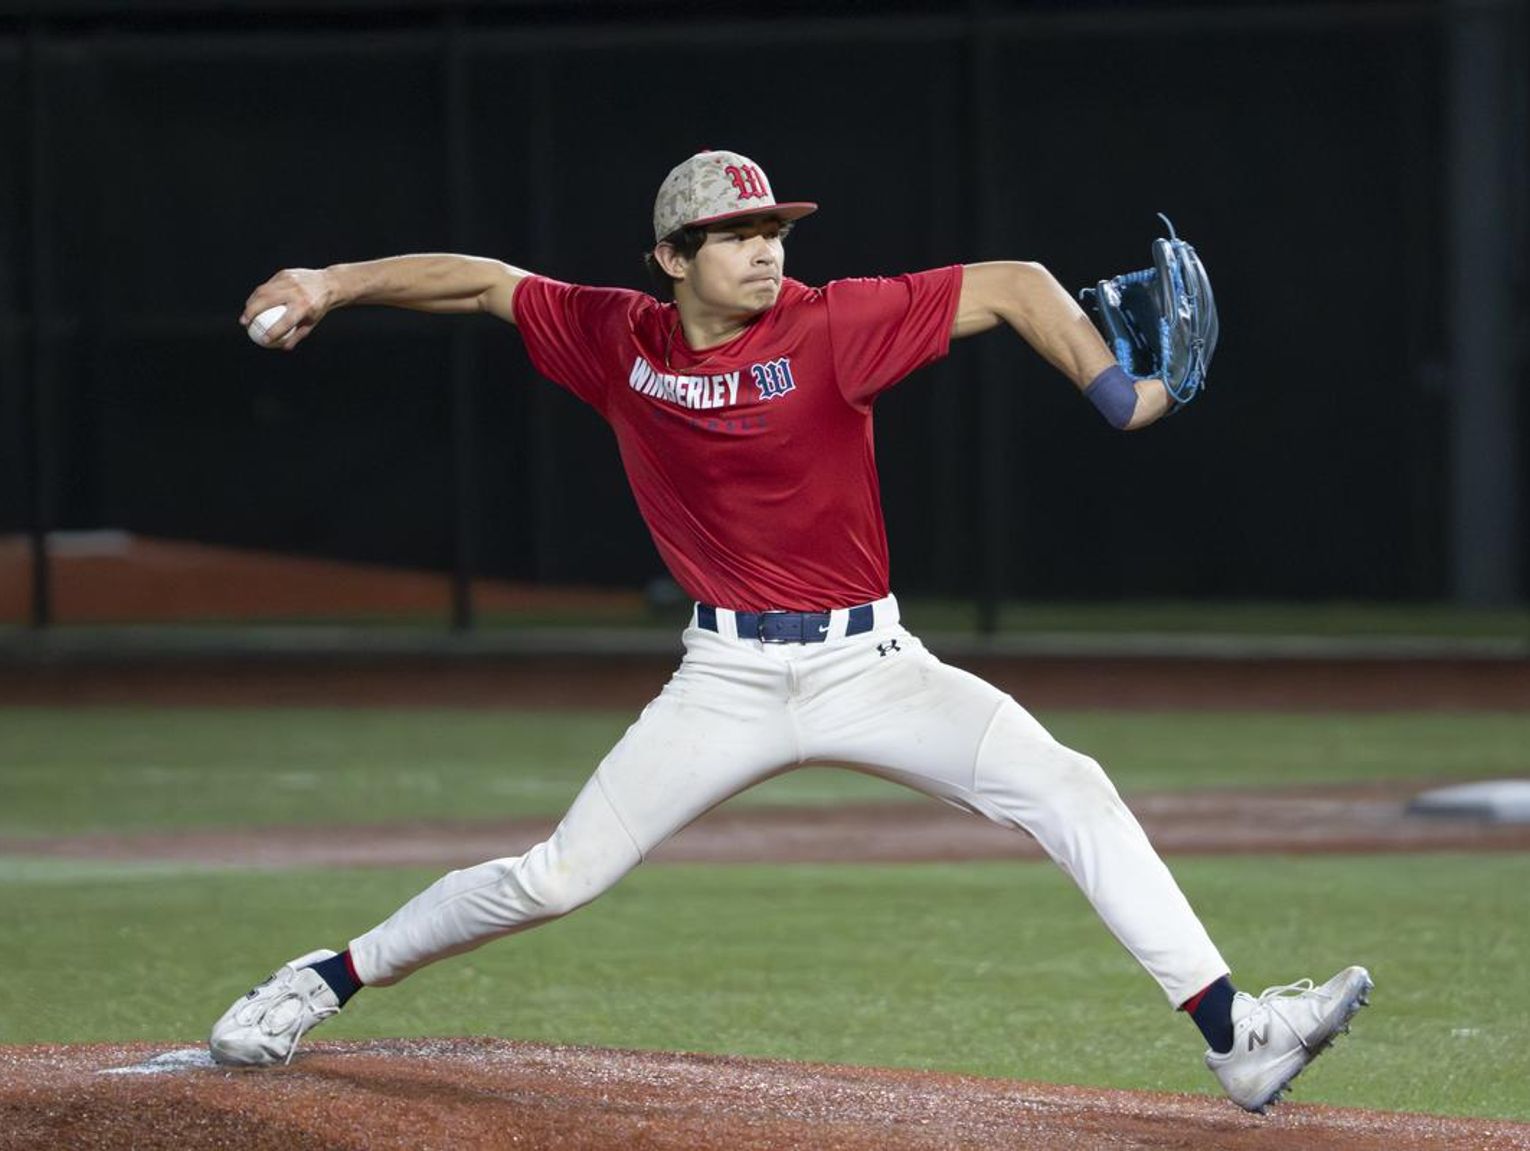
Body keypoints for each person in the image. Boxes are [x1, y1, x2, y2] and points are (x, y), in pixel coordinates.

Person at [210, 149, 1370, 1113]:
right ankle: (323, 977)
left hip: (872, 664)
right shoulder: (621, 339)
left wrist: (1121, 393)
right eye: (735, 232)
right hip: (724, 676)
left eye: (775, 227)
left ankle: (1240, 1034)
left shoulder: (834, 325)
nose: (767, 248)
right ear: (672, 259)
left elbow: (1016, 282)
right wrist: (333, 277)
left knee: (1070, 786)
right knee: (554, 877)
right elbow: (484, 283)